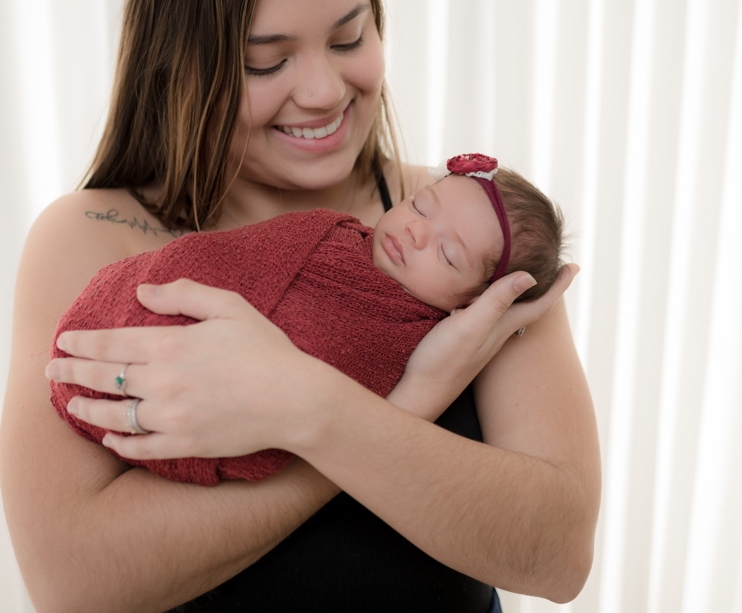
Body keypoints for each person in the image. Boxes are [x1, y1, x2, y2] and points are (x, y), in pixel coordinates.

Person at [0, 0, 600, 613]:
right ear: (177, 67)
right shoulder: (92, 238)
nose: (322, 91)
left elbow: (558, 553)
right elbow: (72, 590)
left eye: (350, 37)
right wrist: (391, 408)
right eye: (266, 60)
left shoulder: (464, 230)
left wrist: (311, 408)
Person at [49, 155, 566, 485]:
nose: (415, 231)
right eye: (420, 207)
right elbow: (232, 257)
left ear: (477, 305)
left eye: (448, 255)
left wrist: (417, 389)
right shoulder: (335, 233)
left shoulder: (403, 334)